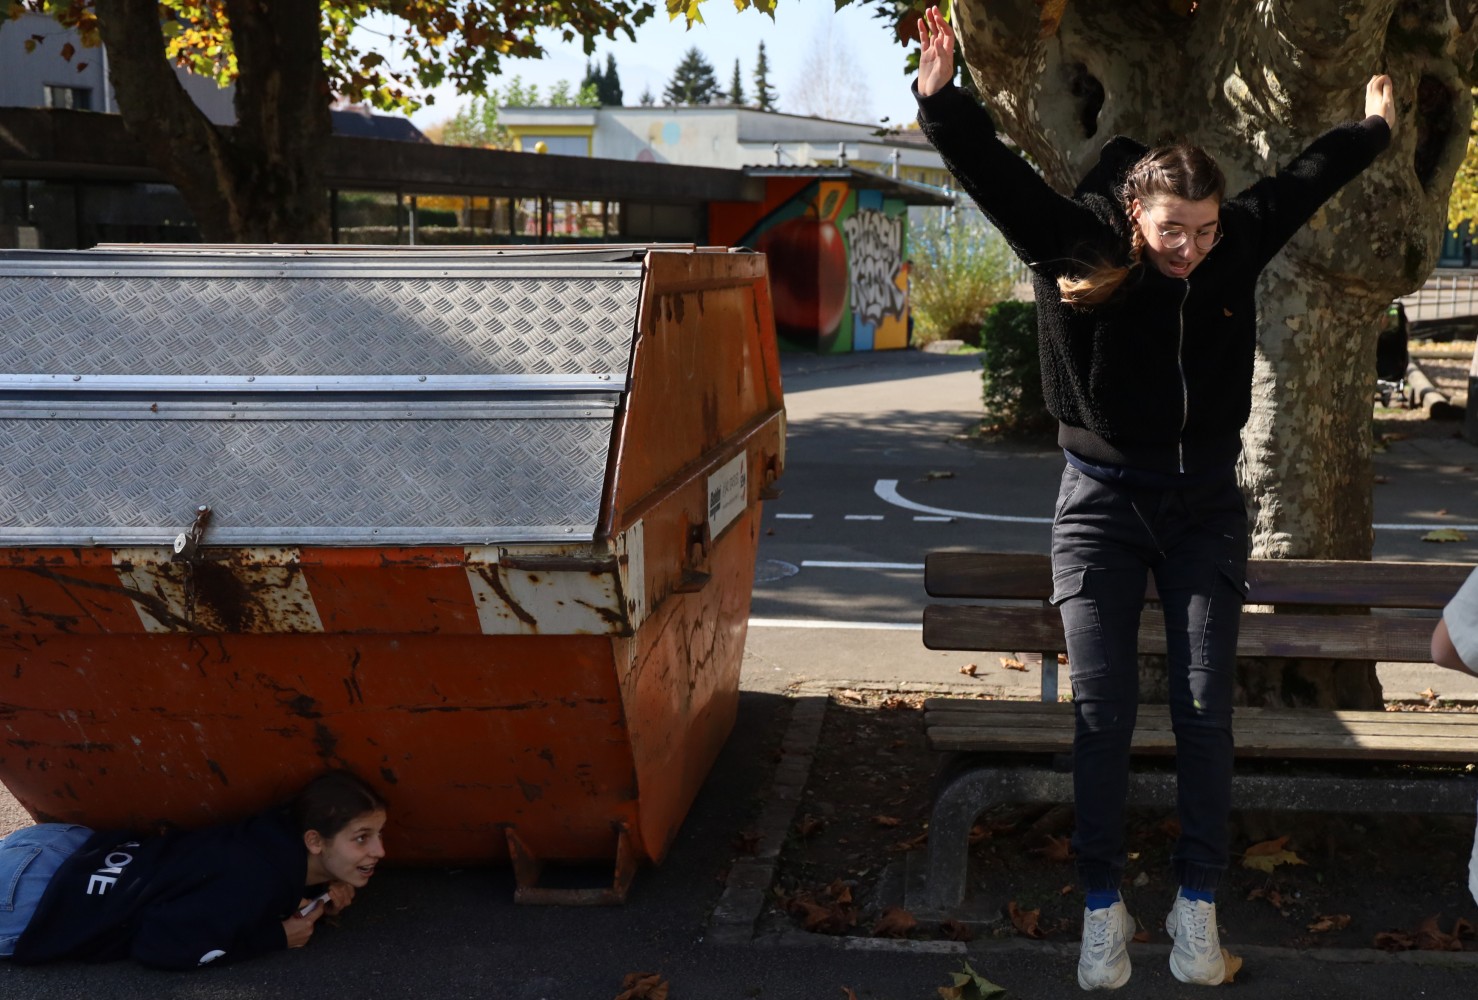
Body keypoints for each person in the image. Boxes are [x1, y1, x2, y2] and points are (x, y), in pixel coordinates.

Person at [912, 6, 1395, 991]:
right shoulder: (1078, 247)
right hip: (1100, 504)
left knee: (1203, 709)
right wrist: (942, 102)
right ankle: (1101, 909)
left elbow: (1303, 180)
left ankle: (1195, 907)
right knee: (1101, 714)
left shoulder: (1231, 246)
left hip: (1203, 508)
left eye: (1204, 230)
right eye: (1173, 231)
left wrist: (1374, 129)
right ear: (1133, 216)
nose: (1190, 249)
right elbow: (995, 176)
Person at [0, 769, 387, 969]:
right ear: (315, 840)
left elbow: (217, 890)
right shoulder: (255, 885)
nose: (379, 851)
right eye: (361, 838)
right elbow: (160, 948)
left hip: (59, 846)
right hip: (35, 899)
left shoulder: (273, 835)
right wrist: (276, 937)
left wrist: (319, 890)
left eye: (378, 835)